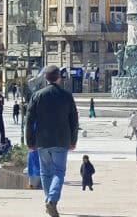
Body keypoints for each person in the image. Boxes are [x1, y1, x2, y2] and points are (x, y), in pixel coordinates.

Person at [25, 65, 79, 217]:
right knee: (59, 172)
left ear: (45, 78)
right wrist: (73, 140)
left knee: (45, 172)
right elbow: (74, 120)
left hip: (42, 140)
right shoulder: (67, 96)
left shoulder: (37, 95)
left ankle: (49, 199)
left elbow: (29, 120)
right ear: (58, 78)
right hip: (61, 140)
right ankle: (52, 200)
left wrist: (30, 142)